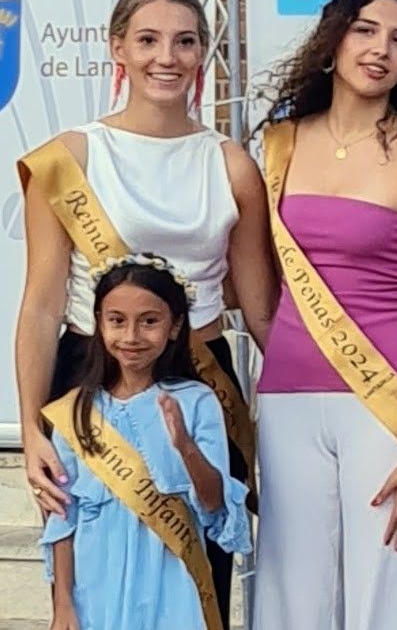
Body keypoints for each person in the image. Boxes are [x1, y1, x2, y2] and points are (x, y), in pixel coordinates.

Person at [14, 0, 277, 628]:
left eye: (185, 41)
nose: (168, 56)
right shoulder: (70, 157)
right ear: (118, 50)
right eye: (149, 39)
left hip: (201, 377)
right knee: (87, 583)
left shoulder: (232, 164)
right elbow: (42, 305)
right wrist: (29, 430)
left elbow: (262, 308)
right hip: (90, 380)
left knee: (198, 581)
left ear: (202, 54)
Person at [249, 0, 397, 630]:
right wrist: (294, 347)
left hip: (387, 400)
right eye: (365, 29)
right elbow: (259, 288)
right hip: (287, 396)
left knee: (386, 593)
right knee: (290, 594)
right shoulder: (278, 144)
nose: (380, 48)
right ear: (332, 40)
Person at [39, 254, 252, 630]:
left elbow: (215, 504)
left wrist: (185, 445)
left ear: (175, 327)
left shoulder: (197, 401)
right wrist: (63, 605)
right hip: (96, 581)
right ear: (99, 324)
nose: (132, 336)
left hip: (170, 579)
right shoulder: (76, 410)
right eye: (117, 321)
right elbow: (62, 517)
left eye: (149, 321)